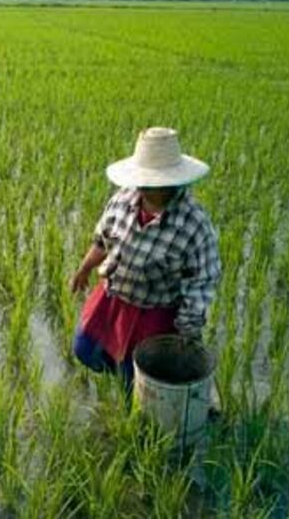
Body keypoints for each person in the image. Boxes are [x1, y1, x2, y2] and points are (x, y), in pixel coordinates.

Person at [70, 127, 221, 387]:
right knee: (84, 349)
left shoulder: (194, 223)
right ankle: (120, 382)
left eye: (152, 181)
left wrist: (187, 334)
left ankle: (135, 415)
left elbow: (202, 282)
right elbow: (102, 241)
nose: (143, 185)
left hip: (154, 313)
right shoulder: (123, 200)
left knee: (137, 379)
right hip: (113, 300)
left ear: (173, 181)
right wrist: (83, 270)